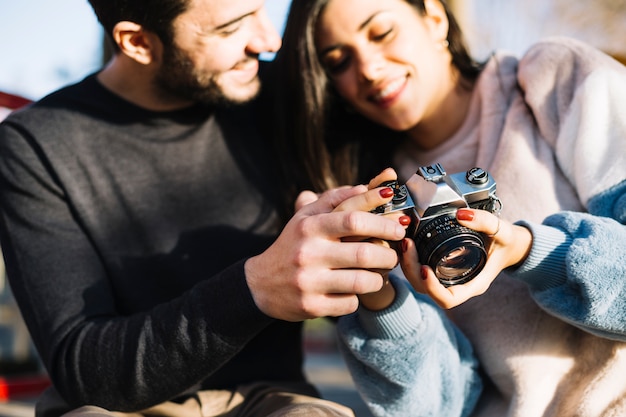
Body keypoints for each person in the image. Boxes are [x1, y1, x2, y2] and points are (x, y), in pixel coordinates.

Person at [0, 0, 472, 416]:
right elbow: (83, 367)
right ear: (138, 42)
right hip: (111, 407)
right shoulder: (35, 146)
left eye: (262, 10)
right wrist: (255, 289)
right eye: (232, 27)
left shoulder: (285, 99)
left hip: (273, 399)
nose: (267, 41)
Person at [270, 0, 626, 416]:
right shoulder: (379, 198)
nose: (367, 68)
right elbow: (440, 404)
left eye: (382, 33)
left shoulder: (552, 79)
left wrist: (529, 250)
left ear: (435, 18)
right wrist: (377, 295)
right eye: (339, 61)